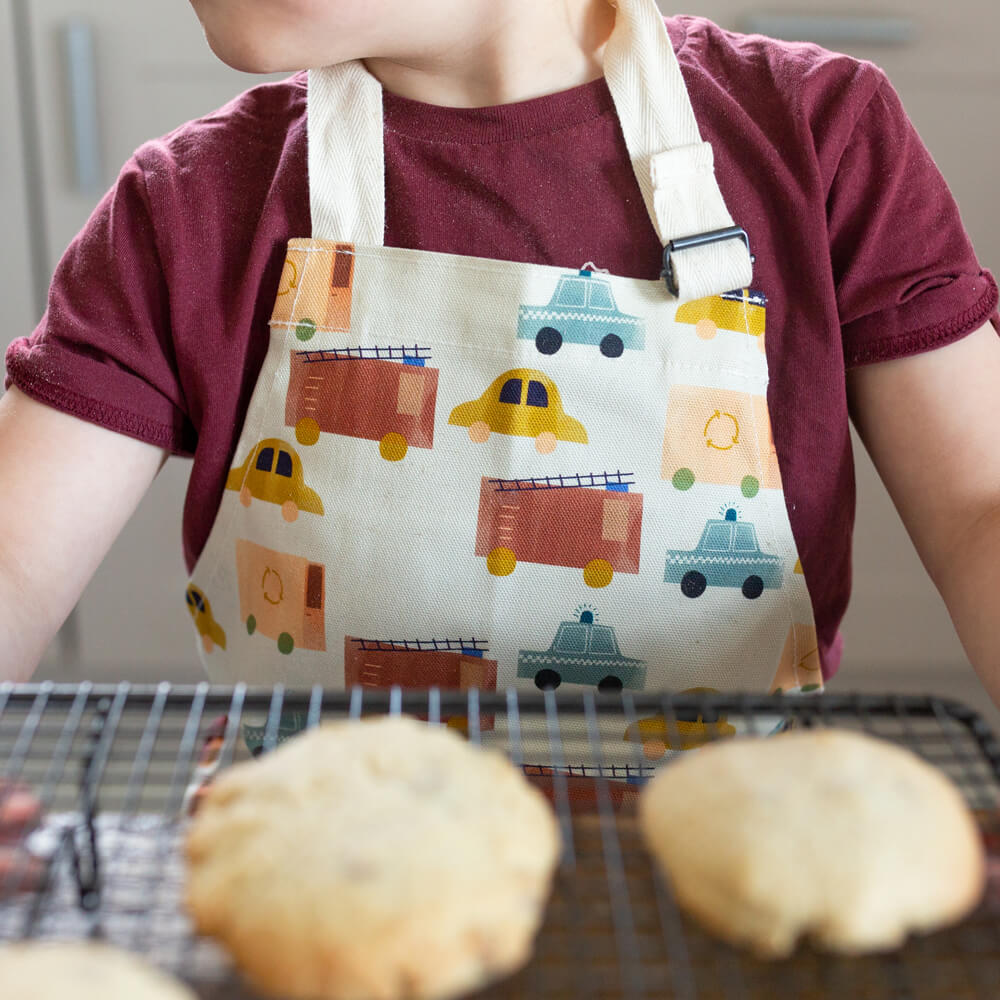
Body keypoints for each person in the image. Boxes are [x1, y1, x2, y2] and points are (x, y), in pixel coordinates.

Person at [1, 0, 999, 884]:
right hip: (316, 882)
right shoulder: (185, 204)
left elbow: (979, 508)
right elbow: (15, 559)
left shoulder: (816, 138)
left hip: (719, 878)